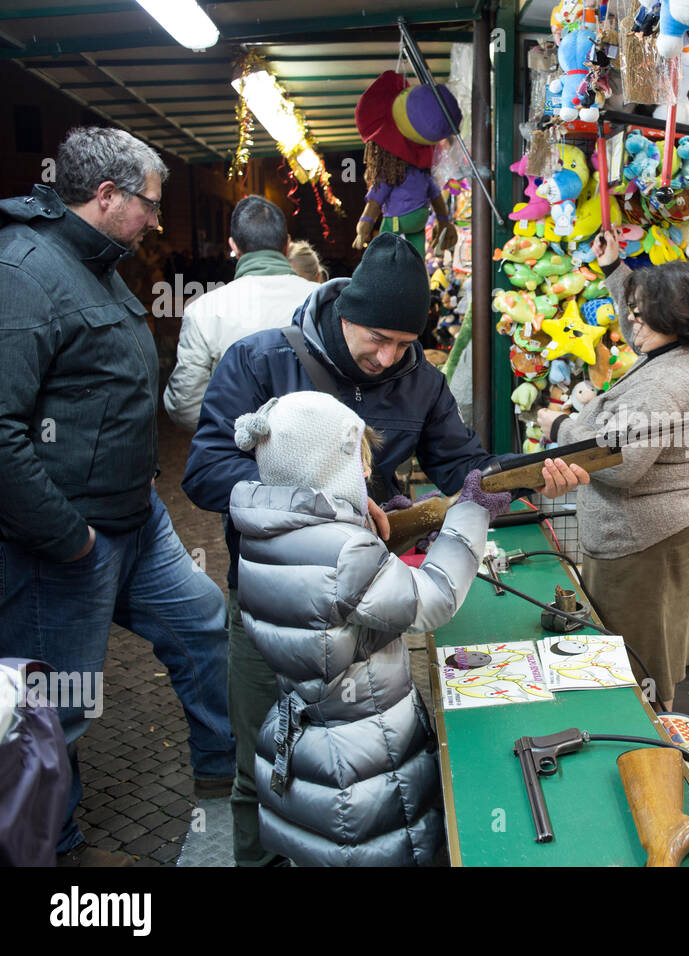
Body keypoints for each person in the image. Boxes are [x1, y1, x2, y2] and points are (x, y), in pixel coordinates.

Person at [182, 230, 588, 866]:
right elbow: (204, 474)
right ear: (345, 312)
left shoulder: (418, 380)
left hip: (367, 615)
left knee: (363, 777)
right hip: (269, 610)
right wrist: (323, 503)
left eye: (404, 343)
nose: (388, 356)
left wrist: (534, 471)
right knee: (260, 768)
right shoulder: (258, 360)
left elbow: (465, 468)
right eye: (377, 338)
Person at [0, 127, 236, 866]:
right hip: (66, 541)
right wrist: (69, 537)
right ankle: (55, 852)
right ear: (106, 197)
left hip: (139, 519)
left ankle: (225, 779)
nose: (157, 221)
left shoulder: (95, 261)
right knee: (56, 709)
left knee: (202, 622)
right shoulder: (25, 272)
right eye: (150, 204)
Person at [228, 390, 511, 865]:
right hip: (364, 759)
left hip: (309, 742)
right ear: (329, 467)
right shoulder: (344, 552)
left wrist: (383, 532)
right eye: (358, 461)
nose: (366, 473)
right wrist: (471, 512)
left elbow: (335, 598)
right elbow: (433, 599)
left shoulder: (263, 530)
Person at [536, 232, 689, 712]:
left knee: (634, 656)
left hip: (643, 539)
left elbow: (619, 464)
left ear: (670, 318)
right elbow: (641, 325)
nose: (631, 321)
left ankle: (642, 735)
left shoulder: (660, 384)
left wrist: (560, 425)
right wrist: (615, 270)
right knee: (661, 635)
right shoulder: (688, 351)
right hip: (682, 519)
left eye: (641, 313)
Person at [164, 196, 319, 431]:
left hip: (235, 456)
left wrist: (237, 433)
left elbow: (186, 405)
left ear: (233, 246)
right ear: (287, 244)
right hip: (315, 448)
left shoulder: (203, 310)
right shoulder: (323, 301)